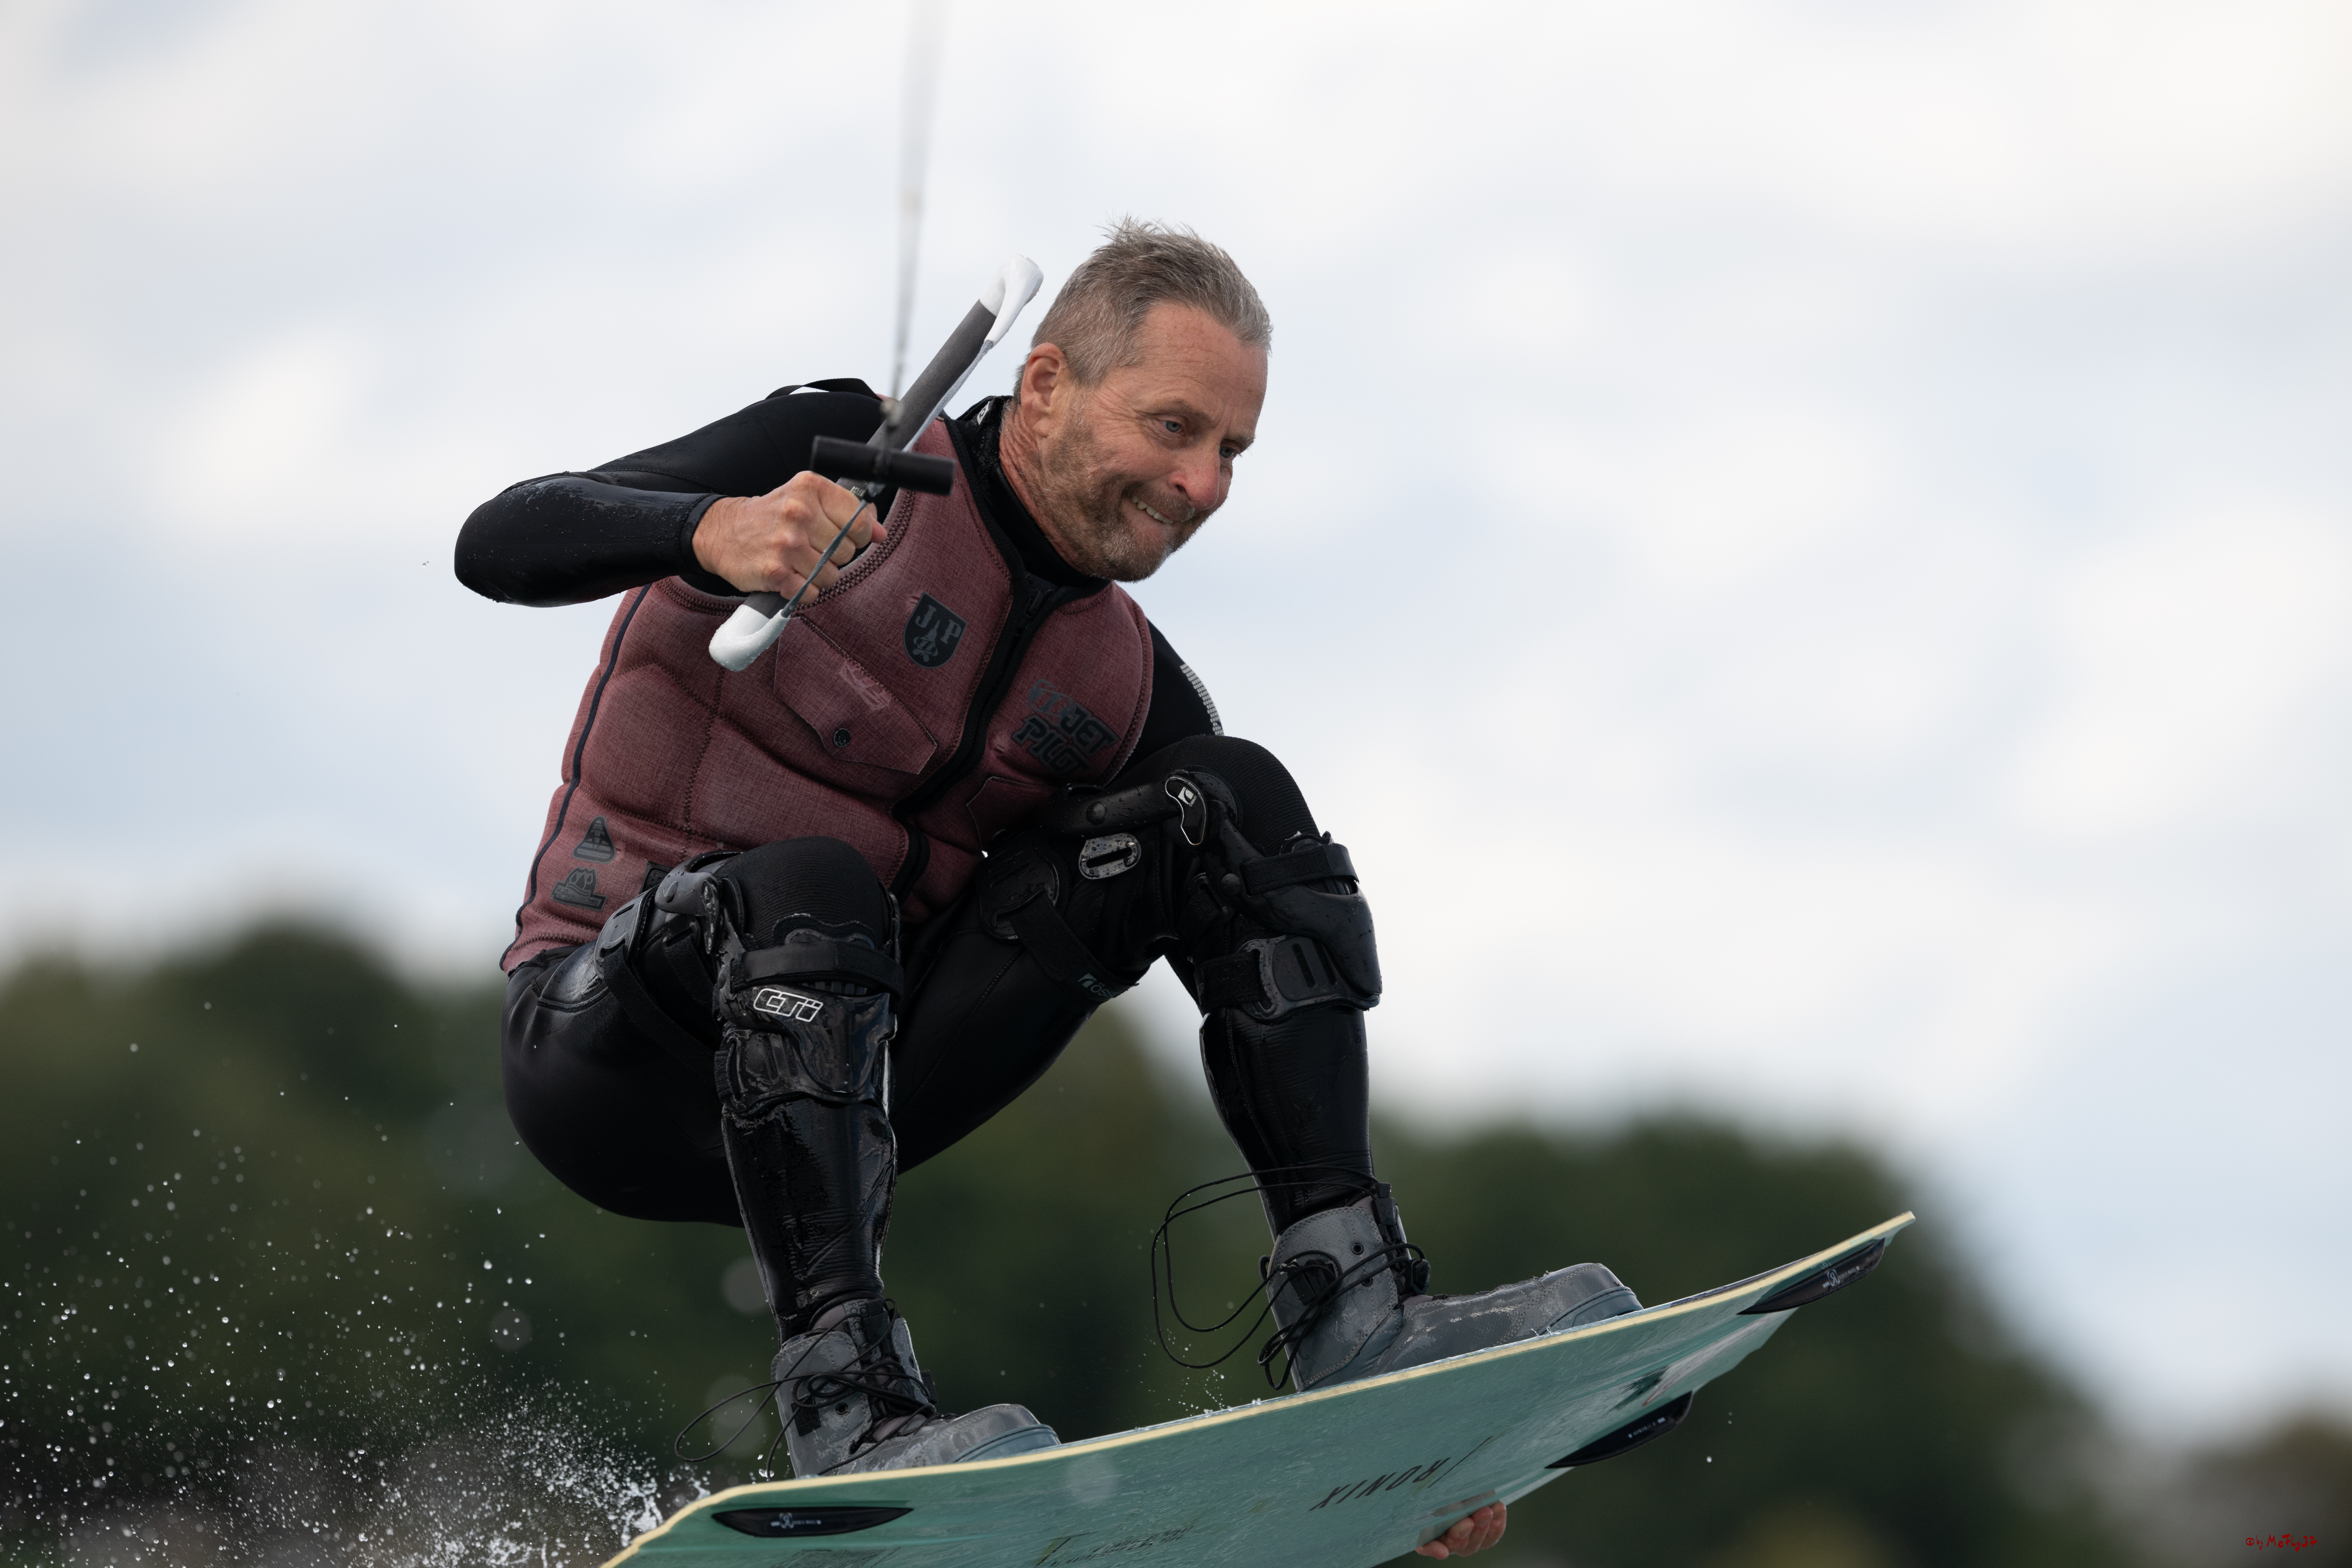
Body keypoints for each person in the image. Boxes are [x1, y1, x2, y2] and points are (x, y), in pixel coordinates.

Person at [456, 221, 1636, 1559]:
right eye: (1175, 426)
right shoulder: (843, 444)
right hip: (609, 1055)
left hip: (861, 1106)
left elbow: (1251, 913)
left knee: (1233, 803)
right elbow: (497, 540)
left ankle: (1359, 1317)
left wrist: (1390, 1476)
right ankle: (852, 1407)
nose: (1202, 484)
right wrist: (716, 526)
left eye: (1234, 450)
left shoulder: (1131, 685)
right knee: (813, 888)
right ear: (1054, 381)